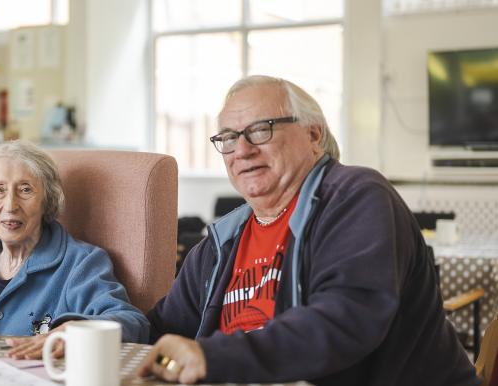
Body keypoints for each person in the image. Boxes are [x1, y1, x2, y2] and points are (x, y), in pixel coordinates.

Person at [137, 75, 480, 386]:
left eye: (261, 129)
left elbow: (345, 320)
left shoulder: (356, 197)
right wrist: (101, 332)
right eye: (228, 137)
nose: (241, 150)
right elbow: (160, 330)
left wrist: (213, 357)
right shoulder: (220, 242)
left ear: (313, 135)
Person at [0, 140, 149, 358]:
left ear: (48, 200)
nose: (10, 205)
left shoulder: (81, 263)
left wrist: (75, 332)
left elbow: (133, 323)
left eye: (25, 190)